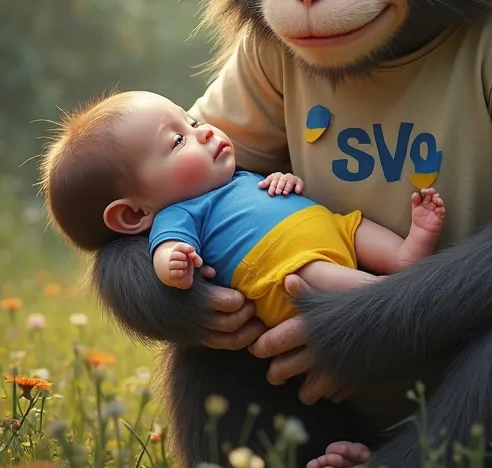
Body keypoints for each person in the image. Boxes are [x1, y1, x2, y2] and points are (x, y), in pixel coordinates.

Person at [41, 90, 445, 327]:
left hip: (328, 229)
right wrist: (171, 265)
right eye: (179, 140)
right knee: (313, 276)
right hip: (287, 270)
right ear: (133, 216)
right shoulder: (177, 215)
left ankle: (406, 258)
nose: (206, 132)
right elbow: (164, 249)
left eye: (193, 121)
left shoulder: (231, 177)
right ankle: (391, 298)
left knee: (357, 230)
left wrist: (284, 178)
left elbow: (271, 187)